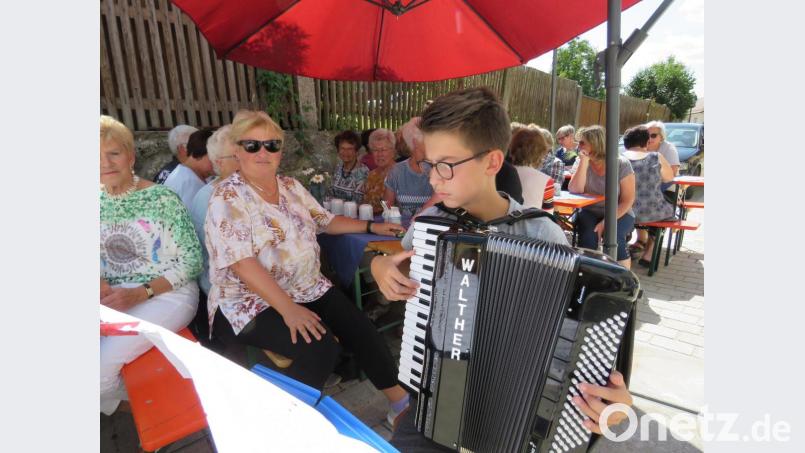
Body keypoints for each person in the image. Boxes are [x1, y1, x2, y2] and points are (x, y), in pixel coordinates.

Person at [369, 88, 633, 448]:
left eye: (446, 166)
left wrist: (609, 401)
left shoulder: (542, 234)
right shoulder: (430, 223)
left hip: (515, 415)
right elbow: (398, 265)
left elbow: (577, 338)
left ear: (492, 162)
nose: (433, 180)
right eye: (430, 165)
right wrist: (380, 267)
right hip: (437, 395)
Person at [203, 110, 412, 428]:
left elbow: (326, 221)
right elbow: (242, 262)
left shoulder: (289, 185)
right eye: (252, 145)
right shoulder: (227, 196)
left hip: (305, 286)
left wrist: (371, 225)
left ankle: (400, 403)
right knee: (320, 348)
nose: (263, 152)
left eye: (271, 145)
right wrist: (289, 310)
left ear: (280, 152)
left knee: (360, 327)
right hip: (247, 300)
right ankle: (282, 430)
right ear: (236, 150)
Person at [100, 115, 202, 415]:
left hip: (167, 292)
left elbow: (192, 260)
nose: (105, 163)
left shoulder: (161, 199)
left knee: (98, 369)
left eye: (113, 153)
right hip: (113, 295)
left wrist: (138, 294)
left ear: (130, 155)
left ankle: (157, 408)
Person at [568, 125, 636, 269]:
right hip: (590, 211)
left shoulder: (621, 164)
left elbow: (628, 200)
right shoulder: (581, 161)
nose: (578, 146)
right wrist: (584, 163)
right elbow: (575, 189)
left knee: (614, 237)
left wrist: (606, 223)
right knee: (588, 236)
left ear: (596, 143)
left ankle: (623, 280)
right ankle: (589, 276)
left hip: (619, 212)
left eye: (582, 142)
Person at [189, 125, 240, 297]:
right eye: (236, 156)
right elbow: (226, 258)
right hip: (225, 285)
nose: (246, 159)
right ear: (219, 162)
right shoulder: (209, 197)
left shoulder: (247, 189)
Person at [621, 126, 676, 267]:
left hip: (623, 210)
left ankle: (627, 244)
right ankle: (649, 253)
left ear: (626, 143)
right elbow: (669, 177)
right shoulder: (656, 157)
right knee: (666, 207)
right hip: (652, 212)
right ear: (646, 143)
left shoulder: (618, 158)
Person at [384, 118, 438, 217]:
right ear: (415, 142)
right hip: (402, 229)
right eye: (428, 138)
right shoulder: (397, 171)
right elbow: (387, 207)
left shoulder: (439, 168)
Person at [164, 128, 215, 210]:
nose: (217, 161)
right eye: (213, 156)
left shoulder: (184, 173)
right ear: (199, 155)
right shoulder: (190, 183)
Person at [509, 127, 557, 212]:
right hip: (533, 224)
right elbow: (548, 213)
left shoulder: (500, 173)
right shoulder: (546, 180)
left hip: (499, 223)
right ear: (541, 152)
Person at [361, 128, 397, 215]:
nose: (379, 154)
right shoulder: (371, 175)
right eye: (375, 150)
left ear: (393, 151)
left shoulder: (399, 174)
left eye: (383, 150)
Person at [329, 130, 369, 202]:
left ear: (357, 152)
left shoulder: (362, 172)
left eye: (350, 149)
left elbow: (358, 201)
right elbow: (331, 193)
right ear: (338, 150)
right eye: (342, 148)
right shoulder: (338, 168)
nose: (345, 152)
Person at [646, 120, 680, 192]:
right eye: (646, 135)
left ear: (661, 137)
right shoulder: (640, 146)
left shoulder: (669, 148)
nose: (649, 138)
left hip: (665, 186)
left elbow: (673, 172)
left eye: (653, 135)